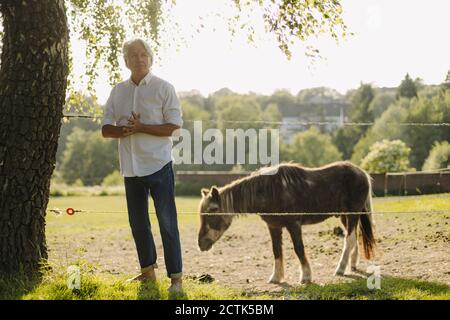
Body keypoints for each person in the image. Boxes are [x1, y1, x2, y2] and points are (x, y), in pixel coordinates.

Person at [101, 38, 183, 293]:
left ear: (150, 57)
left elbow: (173, 126)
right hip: (131, 168)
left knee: (167, 222)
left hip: (159, 165)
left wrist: (142, 127)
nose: (140, 59)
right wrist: (125, 129)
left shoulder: (164, 88)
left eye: (143, 54)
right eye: (134, 55)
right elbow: (105, 129)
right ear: (126, 61)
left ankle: (176, 280)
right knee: (138, 224)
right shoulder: (118, 91)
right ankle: (148, 274)